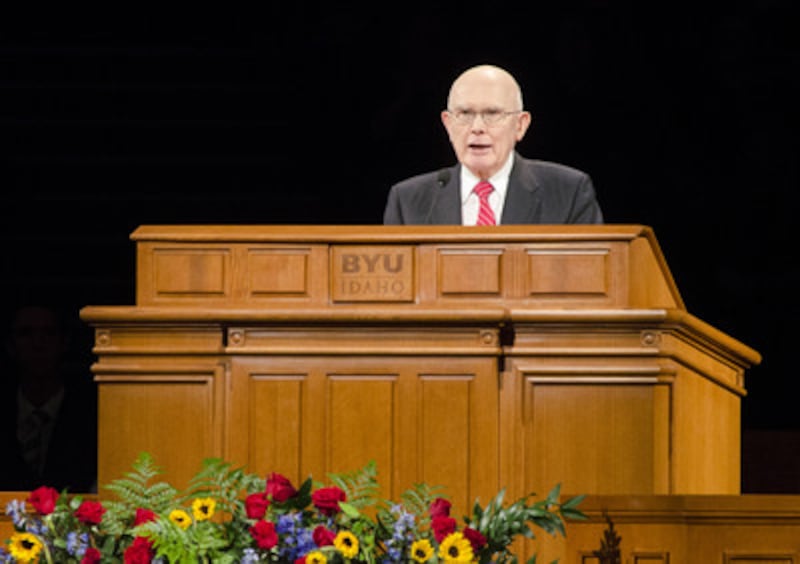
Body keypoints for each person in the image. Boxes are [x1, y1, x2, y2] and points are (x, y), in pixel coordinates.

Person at [383, 64, 604, 225]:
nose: (477, 127)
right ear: (448, 124)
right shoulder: (408, 201)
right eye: (465, 114)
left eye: (492, 114)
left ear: (520, 125)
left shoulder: (568, 192)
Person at [0, 303, 98, 492]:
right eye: (26, 333)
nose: (38, 344)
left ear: (64, 342)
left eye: (49, 333)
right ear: (10, 345)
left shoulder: (91, 413)